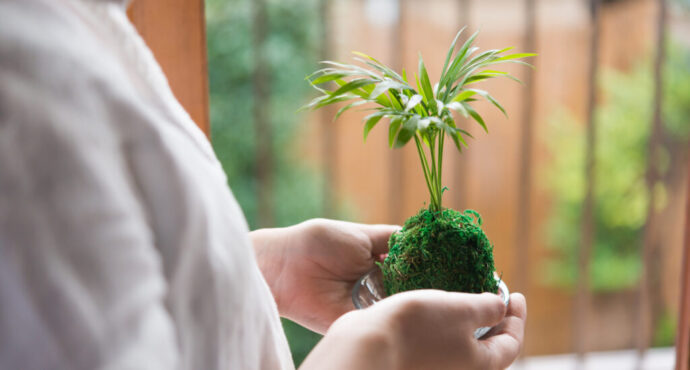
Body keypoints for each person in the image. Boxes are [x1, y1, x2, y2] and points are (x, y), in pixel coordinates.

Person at [0, 0, 526, 369]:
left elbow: (116, 260)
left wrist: (259, 269)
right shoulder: (23, 89)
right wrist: (377, 353)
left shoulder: (76, 24)